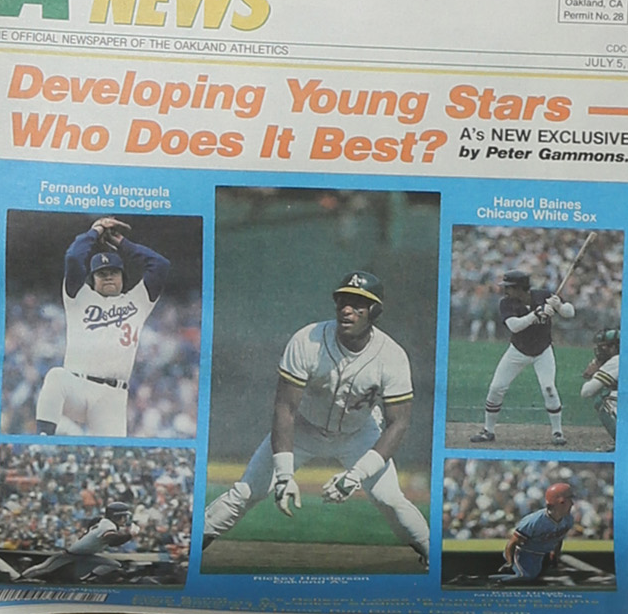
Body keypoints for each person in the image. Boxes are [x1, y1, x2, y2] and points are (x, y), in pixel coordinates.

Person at [203, 270, 430, 556]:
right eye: (342, 301)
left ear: (374, 311)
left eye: (358, 304)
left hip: (359, 433)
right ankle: (189, 551)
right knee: (247, 492)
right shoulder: (307, 340)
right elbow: (285, 408)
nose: (346, 309)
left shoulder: (392, 356)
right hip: (303, 429)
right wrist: (284, 474)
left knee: (390, 500)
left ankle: (434, 564)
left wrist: (356, 475)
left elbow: (399, 423)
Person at [34, 218, 177, 442]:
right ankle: (41, 443)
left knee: (111, 458)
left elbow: (160, 265)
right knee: (55, 377)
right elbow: (73, 257)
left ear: (123, 276)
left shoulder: (138, 300)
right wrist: (96, 230)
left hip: (112, 398)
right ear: (92, 279)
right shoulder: (79, 297)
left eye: (114, 272)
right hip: (77, 387)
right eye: (101, 273)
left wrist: (121, 243)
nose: (108, 276)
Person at [477, 265, 576, 441]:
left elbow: (570, 313)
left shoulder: (543, 295)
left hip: (543, 350)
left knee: (549, 388)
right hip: (517, 350)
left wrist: (559, 305)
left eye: (509, 287)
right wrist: (536, 314)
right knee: (496, 387)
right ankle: (488, 430)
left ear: (519, 288)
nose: (505, 290)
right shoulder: (506, 303)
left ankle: (557, 432)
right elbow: (514, 326)